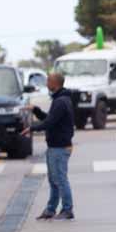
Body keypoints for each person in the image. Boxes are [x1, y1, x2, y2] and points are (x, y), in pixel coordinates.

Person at [24, 72, 75, 220]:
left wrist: (32, 128)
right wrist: (36, 110)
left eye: (48, 81)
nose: (46, 84)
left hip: (60, 147)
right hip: (55, 146)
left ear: (55, 83)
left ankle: (67, 209)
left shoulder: (61, 101)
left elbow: (49, 123)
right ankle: (51, 209)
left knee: (60, 179)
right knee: (54, 180)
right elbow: (50, 119)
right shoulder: (60, 100)